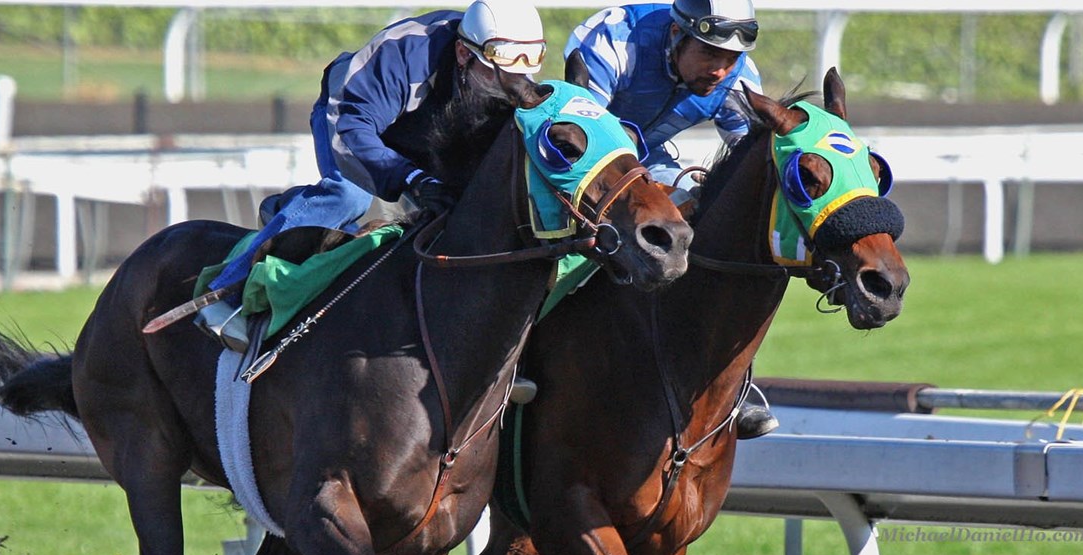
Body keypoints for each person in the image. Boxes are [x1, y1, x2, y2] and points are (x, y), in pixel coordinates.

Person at [197, 0, 548, 350]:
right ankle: (228, 292)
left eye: (521, 74)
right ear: (462, 53)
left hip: (427, 134)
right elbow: (353, 128)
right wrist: (413, 179)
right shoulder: (408, 55)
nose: (508, 85)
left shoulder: (506, 75)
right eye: (495, 73)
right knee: (348, 195)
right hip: (352, 118)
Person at [564, 0, 777, 438]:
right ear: (677, 35)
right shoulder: (614, 40)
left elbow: (750, 158)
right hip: (584, 156)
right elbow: (584, 140)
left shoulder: (738, 75)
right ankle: (516, 357)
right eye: (710, 53)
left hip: (650, 158)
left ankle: (730, 380)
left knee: (705, 222)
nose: (721, 70)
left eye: (731, 58)